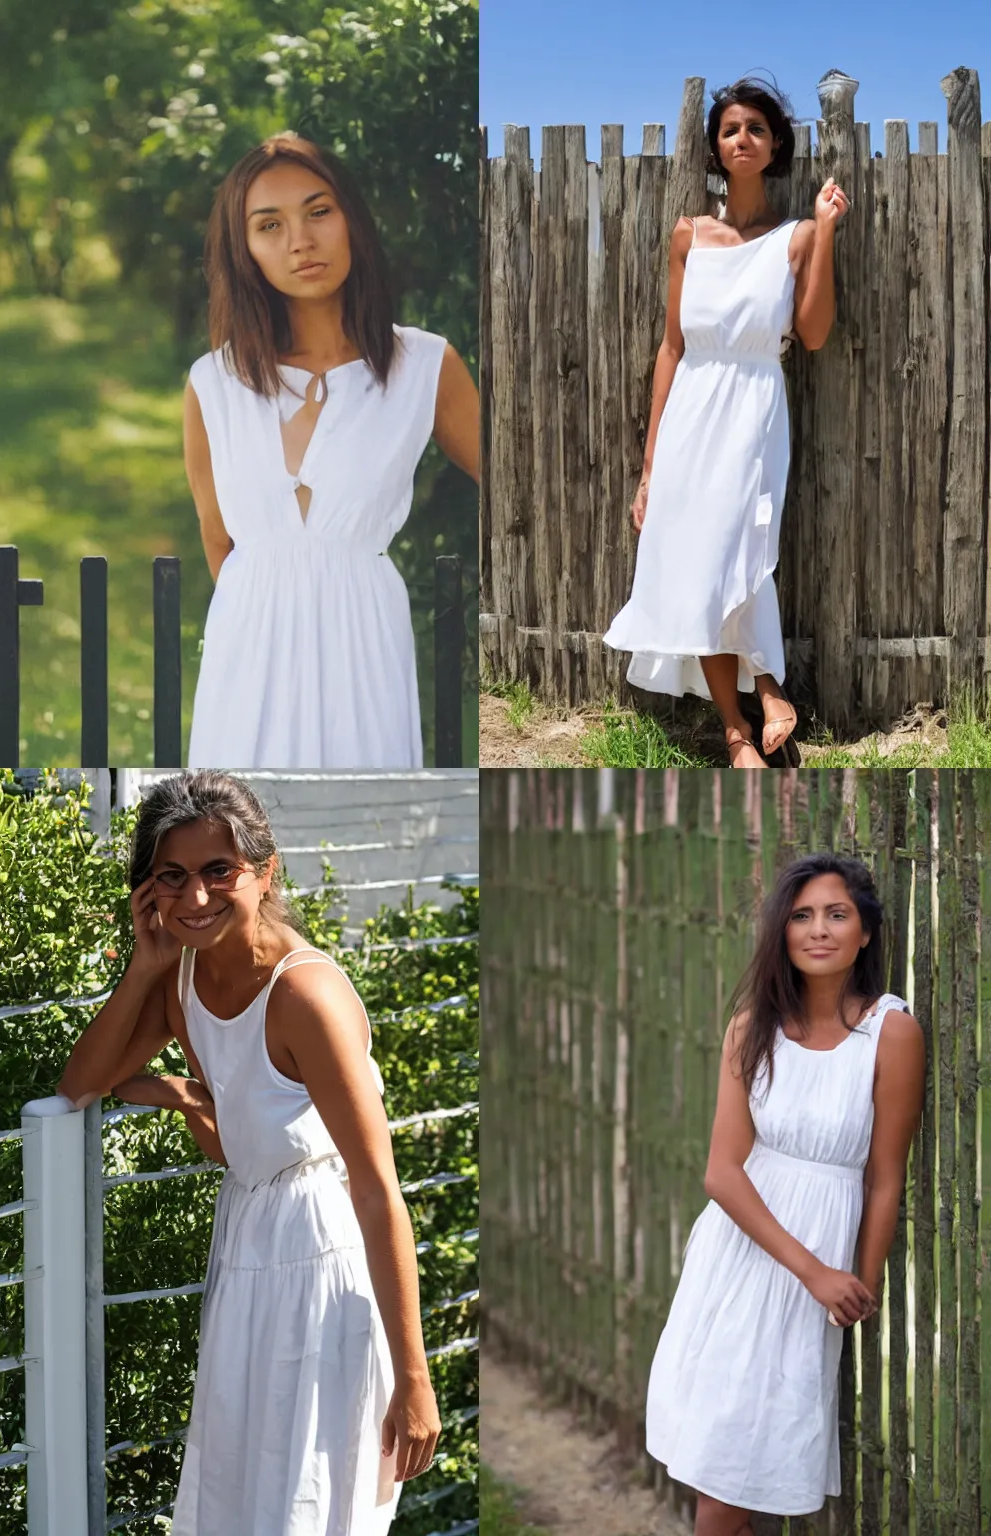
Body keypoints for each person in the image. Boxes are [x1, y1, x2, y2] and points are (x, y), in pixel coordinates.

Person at [57, 770, 441, 1534]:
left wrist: (415, 1377)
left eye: (217, 872)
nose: (194, 898)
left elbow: (376, 1190)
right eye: (172, 876)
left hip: (323, 1268)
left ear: (265, 873)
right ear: (148, 890)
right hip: (248, 1254)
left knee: (304, 1509)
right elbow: (82, 1082)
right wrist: (148, 977)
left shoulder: (306, 998)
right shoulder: (184, 977)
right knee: (240, 1505)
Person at [645, 854, 925, 1535]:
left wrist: (859, 1279)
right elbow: (722, 1171)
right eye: (801, 915)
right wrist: (814, 1272)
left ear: (865, 933)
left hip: (818, 1271)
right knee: (720, 1463)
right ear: (782, 931)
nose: (818, 930)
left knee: (736, 1472)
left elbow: (884, 1175)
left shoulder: (890, 1031)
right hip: (743, 1253)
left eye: (838, 914)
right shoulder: (753, 1027)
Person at [183, 132, 480, 769]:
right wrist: (272, 612)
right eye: (270, 225)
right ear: (246, 251)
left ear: (352, 220)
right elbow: (218, 540)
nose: (300, 241)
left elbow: (520, 489)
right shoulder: (213, 382)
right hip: (246, 647)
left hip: (364, 643)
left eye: (318, 211)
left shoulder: (425, 366)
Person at [603, 77, 850, 769]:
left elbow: (815, 332)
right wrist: (650, 467)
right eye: (730, 129)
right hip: (689, 414)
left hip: (753, 409)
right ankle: (740, 731)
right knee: (692, 565)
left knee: (736, 555)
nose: (743, 138)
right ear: (716, 146)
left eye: (757, 129)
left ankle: (769, 691)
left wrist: (826, 230)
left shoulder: (796, 237)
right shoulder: (689, 235)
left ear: (775, 146)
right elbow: (673, 348)